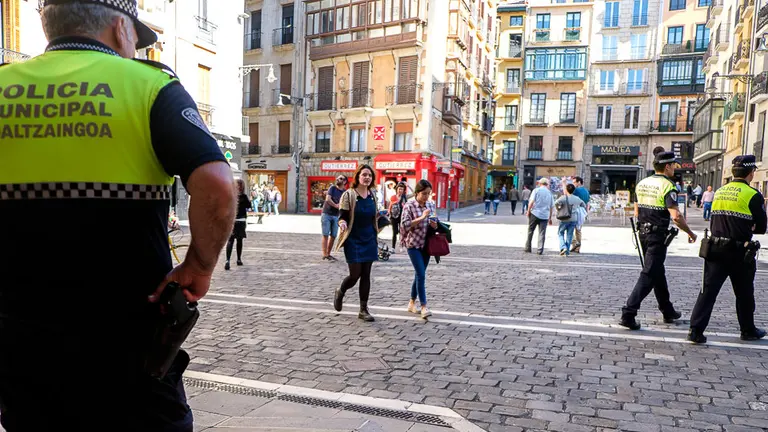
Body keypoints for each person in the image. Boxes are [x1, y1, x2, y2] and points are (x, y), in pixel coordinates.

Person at [0, 1, 236, 430]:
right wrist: (199, 265)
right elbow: (218, 185)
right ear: (120, 30)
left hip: (22, 342)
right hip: (130, 344)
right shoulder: (149, 87)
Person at [687, 156, 767, 344]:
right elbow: (762, 227)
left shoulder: (720, 192)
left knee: (707, 291)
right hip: (740, 252)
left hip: (715, 248)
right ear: (751, 172)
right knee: (744, 293)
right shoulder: (752, 194)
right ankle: (747, 329)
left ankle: (695, 330)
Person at [619, 151, 697, 331]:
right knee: (649, 274)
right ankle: (628, 313)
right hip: (657, 235)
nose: (675, 169)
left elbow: (637, 211)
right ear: (667, 166)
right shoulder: (668, 186)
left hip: (642, 233)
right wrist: (690, 233)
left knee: (657, 272)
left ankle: (667, 310)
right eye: (674, 166)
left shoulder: (642, 183)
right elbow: (676, 216)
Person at [333, 165, 380, 322]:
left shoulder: (373, 195)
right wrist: (342, 223)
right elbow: (342, 215)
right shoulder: (349, 195)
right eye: (364, 174)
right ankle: (340, 291)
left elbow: (374, 215)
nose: (367, 177)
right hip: (353, 238)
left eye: (370, 175)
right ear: (358, 176)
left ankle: (363, 309)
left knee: (366, 274)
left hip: (369, 238)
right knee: (355, 275)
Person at [400, 180, 439, 318]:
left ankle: (411, 303)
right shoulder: (409, 205)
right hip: (413, 244)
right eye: (424, 193)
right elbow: (405, 225)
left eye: (428, 193)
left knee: (419, 274)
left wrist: (434, 224)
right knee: (421, 274)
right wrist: (422, 217)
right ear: (417, 192)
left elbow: (434, 221)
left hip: (426, 244)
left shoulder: (430, 204)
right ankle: (423, 306)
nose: (426, 196)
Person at [225, 179, 251, 270]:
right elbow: (249, 206)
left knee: (231, 240)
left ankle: (228, 260)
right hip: (240, 220)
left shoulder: (230, 196)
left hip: (232, 220)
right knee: (238, 240)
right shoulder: (243, 196)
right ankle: (238, 259)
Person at [525, 178, 555, 255]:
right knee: (542, 233)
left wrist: (528, 211)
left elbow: (531, 202)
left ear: (540, 183)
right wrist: (550, 217)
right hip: (545, 215)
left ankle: (528, 247)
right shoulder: (549, 193)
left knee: (530, 230)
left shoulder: (536, 190)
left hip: (535, 213)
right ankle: (540, 250)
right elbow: (551, 206)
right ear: (546, 184)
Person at [555, 184, 586, 256]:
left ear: (566, 189)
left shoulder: (563, 198)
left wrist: (559, 209)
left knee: (560, 233)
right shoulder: (577, 198)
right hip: (574, 218)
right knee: (569, 234)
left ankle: (563, 247)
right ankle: (567, 251)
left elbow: (556, 203)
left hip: (564, 218)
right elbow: (583, 205)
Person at [321, 176, 346, 261]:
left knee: (334, 235)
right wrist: (336, 205)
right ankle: (325, 254)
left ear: (345, 181)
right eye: (338, 178)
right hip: (326, 213)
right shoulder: (332, 188)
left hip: (336, 215)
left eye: (341, 178)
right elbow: (328, 199)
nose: (338, 180)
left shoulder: (345, 192)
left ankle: (328, 254)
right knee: (325, 234)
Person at [570, 176, 590, 253]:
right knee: (578, 230)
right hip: (583, 212)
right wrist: (586, 213)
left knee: (570, 228)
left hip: (575, 211)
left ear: (579, 182)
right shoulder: (586, 191)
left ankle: (574, 244)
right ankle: (578, 247)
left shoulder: (576, 190)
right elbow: (588, 203)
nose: (573, 184)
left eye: (574, 182)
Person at [388, 182, 408, 251]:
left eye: (402, 189)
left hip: (402, 216)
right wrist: (389, 214)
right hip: (393, 216)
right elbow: (390, 206)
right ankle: (393, 247)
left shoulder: (404, 197)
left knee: (402, 232)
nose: (400, 191)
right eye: (399, 189)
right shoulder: (393, 197)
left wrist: (408, 186)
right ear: (397, 189)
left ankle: (401, 246)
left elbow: (415, 193)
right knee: (394, 232)